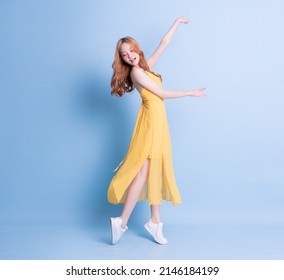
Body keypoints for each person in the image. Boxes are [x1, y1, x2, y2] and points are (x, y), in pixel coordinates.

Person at [107, 15, 206, 245]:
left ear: (137, 50)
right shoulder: (137, 73)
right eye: (124, 54)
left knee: (152, 171)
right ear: (122, 58)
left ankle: (153, 221)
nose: (130, 55)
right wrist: (190, 92)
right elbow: (161, 95)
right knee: (143, 172)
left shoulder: (146, 67)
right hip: (151, 123)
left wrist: (176, 23)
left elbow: (164, 44)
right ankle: (124, 222)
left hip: (158, 122)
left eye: (131, 50)